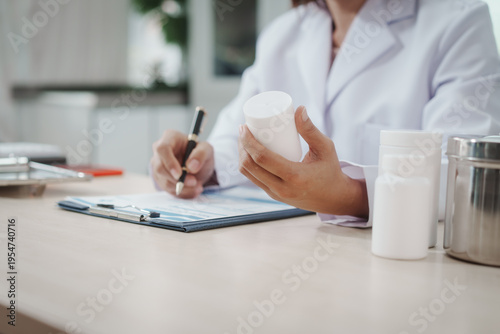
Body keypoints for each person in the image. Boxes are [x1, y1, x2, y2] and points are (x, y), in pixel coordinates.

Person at [151, 0, 500, 227]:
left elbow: (466, 179)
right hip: (290, 250)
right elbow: (236, 135)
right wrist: (203, 164)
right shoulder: (283, 34)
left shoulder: (459, 20)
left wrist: (349, 195)